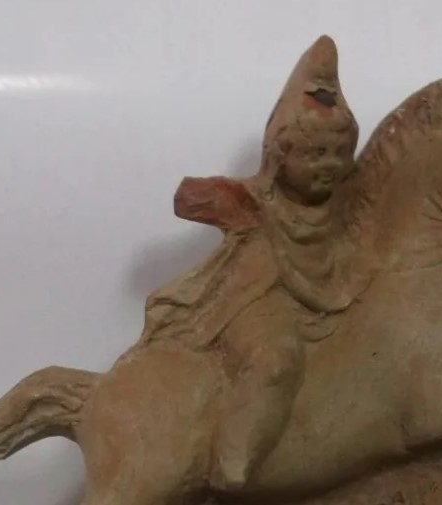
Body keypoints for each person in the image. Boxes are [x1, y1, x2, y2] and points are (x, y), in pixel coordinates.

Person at [139, 36, 364, 490]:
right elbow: (188, 199)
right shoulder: (257, 201)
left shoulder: (346, 205)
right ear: (280, 157)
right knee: (275, 361)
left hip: (331, 298)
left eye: (338, 155)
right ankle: (232, 459)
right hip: (255, 301)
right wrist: (214, 198)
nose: (328, 166)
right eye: (314, 154)